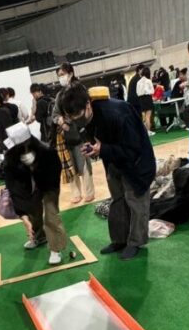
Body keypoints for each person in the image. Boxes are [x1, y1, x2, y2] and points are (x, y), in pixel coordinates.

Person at [61, 83, 156, 261]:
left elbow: (133, 149)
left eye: (79, 116)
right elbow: (95, 139)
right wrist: (93, 149)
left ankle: (135, 242)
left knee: (136, 202)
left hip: (137, 164)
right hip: (114, 161)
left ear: (88, 104)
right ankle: (119, 240)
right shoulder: (85, 118)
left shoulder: (118, 113)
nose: (77, 121)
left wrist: (102, 149)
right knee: (117, 200)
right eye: (72, 118)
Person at [4, 122, 67, 265]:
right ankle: (39, 237)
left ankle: (55, 249)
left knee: (51, 215)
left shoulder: (47, 151)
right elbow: (13, 186)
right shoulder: (11, 158)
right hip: (29, 187)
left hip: (48, 185)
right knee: (32, 212)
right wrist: (22, 214)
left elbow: (55, 174)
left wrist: (37, 168)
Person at [52, 62, 94, 204]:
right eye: (59, 76)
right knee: (70, 166)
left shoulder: (80, 89)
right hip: (67, 136)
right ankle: (76, 193)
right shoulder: (60, 95)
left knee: (85, 163)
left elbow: (88, 109)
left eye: (63, 74)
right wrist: (62, 122)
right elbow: (55, 114)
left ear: (70, 73)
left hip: (82, 132)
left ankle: (89, 192)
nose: (61, 78)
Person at [137, 67, 155, 135]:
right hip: (148, 98)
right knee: (148, 117)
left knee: (143, 117)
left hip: (141, 99)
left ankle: (144, 132)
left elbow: (137, 92)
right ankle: (148, 131)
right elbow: (152, 91)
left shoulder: (138, 82)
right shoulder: (148, 81)